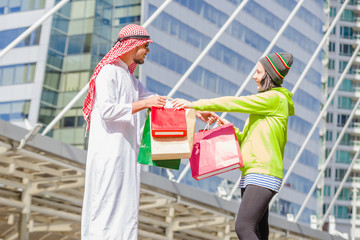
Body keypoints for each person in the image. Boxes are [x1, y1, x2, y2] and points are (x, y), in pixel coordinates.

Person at [173, 52, 295, 240]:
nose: (254, 76)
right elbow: (247, 138)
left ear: (268, 76)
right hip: (252, 172)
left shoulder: (275, 99)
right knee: (259, 232)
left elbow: (236, 102)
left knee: (244, 227)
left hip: (263, 173)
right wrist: (227, 127)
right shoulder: (269, 103)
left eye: (258, 72)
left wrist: (196, 105)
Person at [81, 24, 167, 239]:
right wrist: (144, 103)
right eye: (145, 46)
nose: (147, 51)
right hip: (108, 155)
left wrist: (196, 111)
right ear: (132, 45)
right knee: (105, 207)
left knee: (126, 210)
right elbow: (108, 110)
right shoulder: (108, 72)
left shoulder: (131, 80)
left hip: (127, 155)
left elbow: (158, 100)